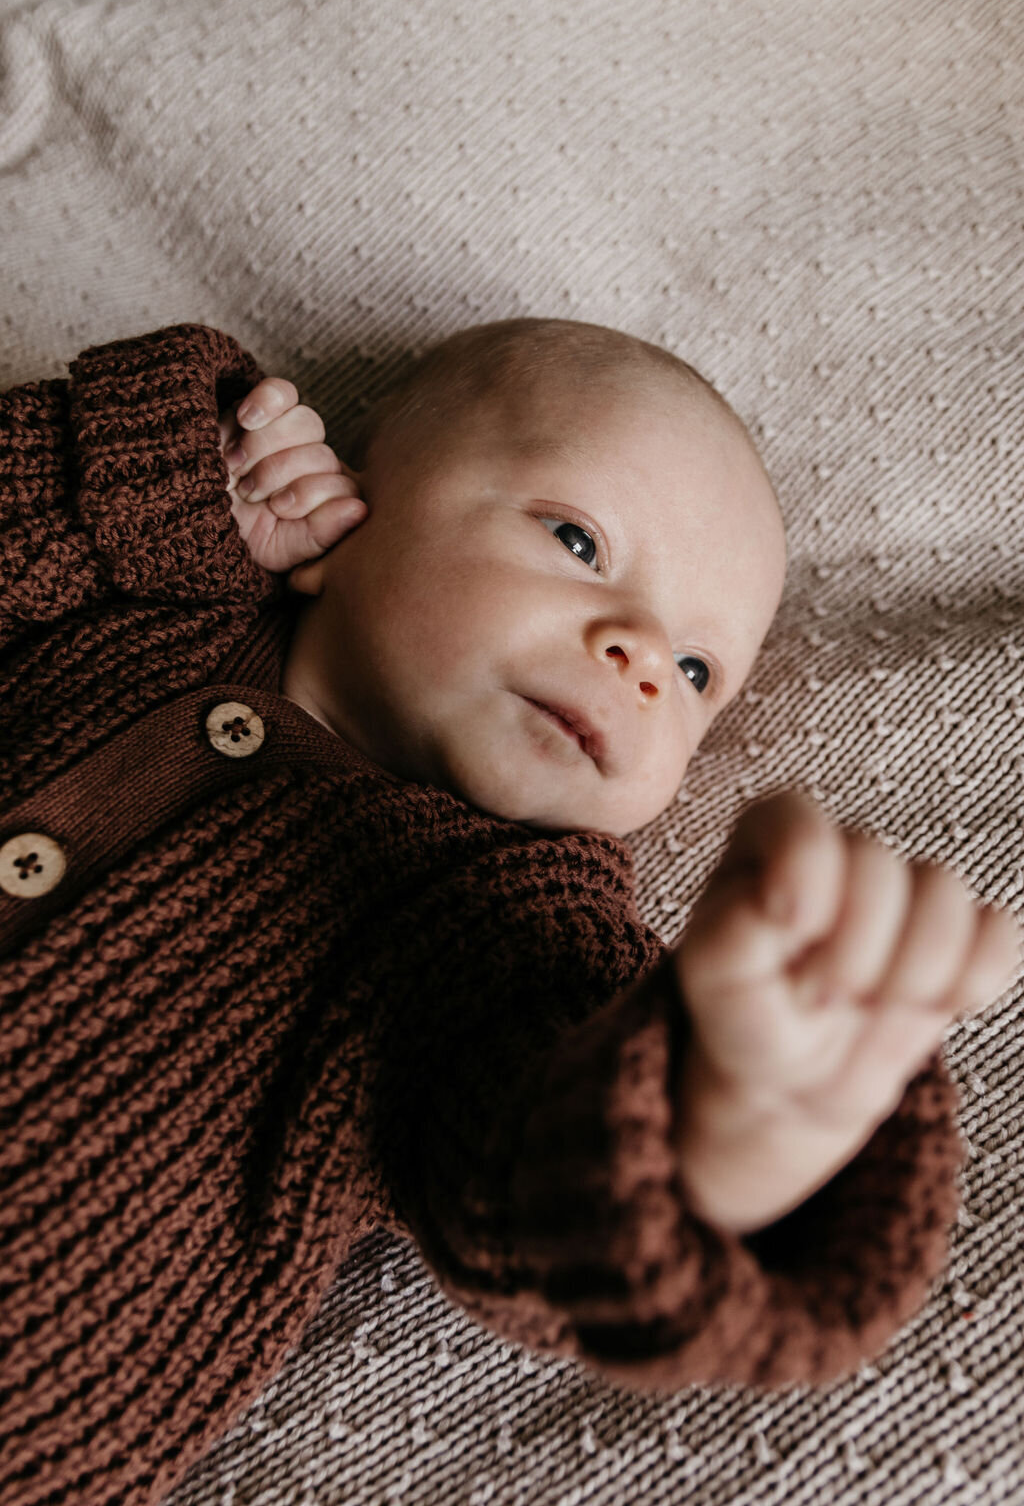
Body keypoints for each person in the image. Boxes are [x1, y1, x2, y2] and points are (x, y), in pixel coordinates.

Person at [0, 319, 1017, 1506]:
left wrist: (718, 1122)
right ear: (350, 511)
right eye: (578, 540)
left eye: (696, 673)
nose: (641, 657)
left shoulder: (505, 932)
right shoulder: (144, 608)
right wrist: (167, 490)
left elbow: (532, 1175)